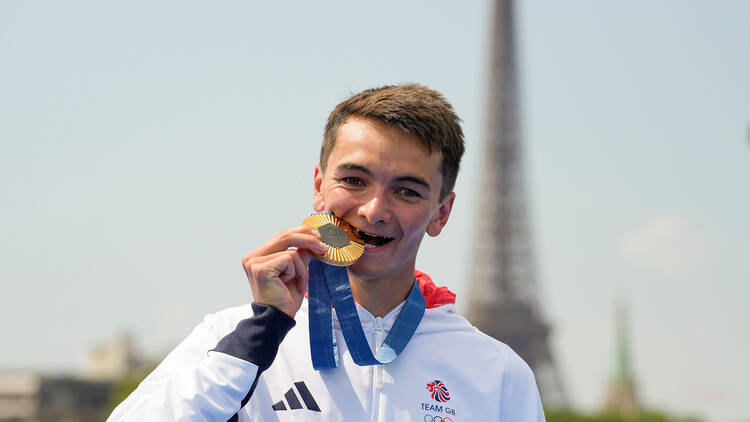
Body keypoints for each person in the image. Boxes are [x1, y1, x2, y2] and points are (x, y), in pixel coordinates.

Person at [107, 84, 545, 421]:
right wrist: (261, 333)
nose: (374, 210)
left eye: (406, 191)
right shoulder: (229, 339)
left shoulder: (497, 374)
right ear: (319, 187)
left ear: (441, 213)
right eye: (354, 180)